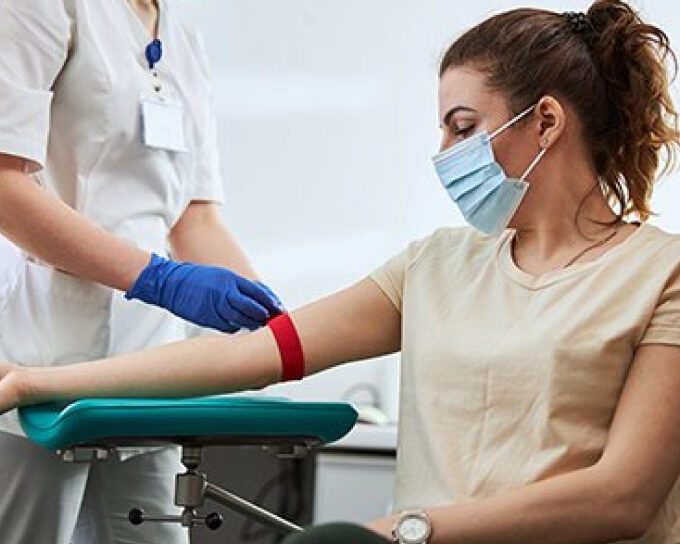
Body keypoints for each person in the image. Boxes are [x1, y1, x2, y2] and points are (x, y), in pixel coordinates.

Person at [2, 0, 680, 542]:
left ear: (549, 122)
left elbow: (621, 498)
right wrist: (33, 379)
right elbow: (263, 353)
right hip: (53, 340)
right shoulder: (435, 267)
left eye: (463, 127)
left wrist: (402, 531)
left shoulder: (660, 276)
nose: (442, 154)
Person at [0, 1, 282, 543]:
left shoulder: (184, 38)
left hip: (148, 368)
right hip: (33, 349)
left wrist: (278, 326)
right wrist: (159, 279)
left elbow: (194, 216)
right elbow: (6, 188)